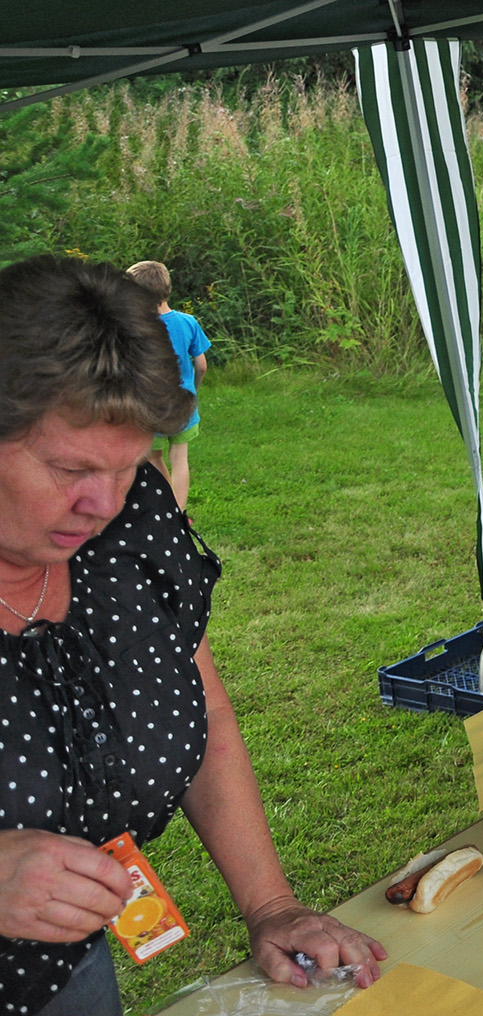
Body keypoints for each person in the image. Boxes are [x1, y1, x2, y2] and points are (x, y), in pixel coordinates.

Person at [0, 256, 385, 1016]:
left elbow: (203, 712)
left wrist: (271, 905)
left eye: (131, 464)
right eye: (69, 467)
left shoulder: (133, 521)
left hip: (62, 979)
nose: (101, 503)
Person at [123, 261, 208, 512]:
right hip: (184, 402)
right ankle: (180, 513)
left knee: (153, 456)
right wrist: (194, 387)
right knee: (180, 458)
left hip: (151, 407)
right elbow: (201, 365)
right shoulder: (188, 322)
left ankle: (167, 510)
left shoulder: (135, 328)